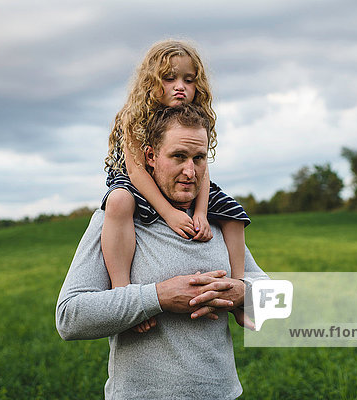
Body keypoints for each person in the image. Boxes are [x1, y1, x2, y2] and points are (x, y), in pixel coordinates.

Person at [56, 104, 267, 399]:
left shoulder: (216, 222)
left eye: (199, 158)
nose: (190, 171)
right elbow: (70, 317)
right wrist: (159, 296)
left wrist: (240, 293)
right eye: (178, 156)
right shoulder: (117, 220)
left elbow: (281, 303)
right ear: (151, 157)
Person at [101, 40, 251, 332]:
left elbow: (201, 170)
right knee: (119, 201)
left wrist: (201, 212)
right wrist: (169, 214)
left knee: (234, 213)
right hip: (134, 181)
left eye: (188, 79)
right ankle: (123, 293)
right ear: (152, 82)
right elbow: (137, 171)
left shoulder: (194, 118)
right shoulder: (133, 116)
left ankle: (239, 289)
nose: (179, 86)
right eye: (169, 79)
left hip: (183, 186)